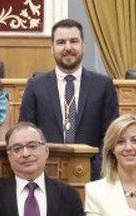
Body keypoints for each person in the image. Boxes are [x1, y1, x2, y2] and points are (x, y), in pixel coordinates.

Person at [19, 18, 119, 180]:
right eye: (61, 42)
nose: (68, 47)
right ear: (51, 48)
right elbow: (25, 133)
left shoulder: (103, 85)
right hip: (46, 174)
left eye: (74, 41)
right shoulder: (35, 86)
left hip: (92, 176)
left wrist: (93, 170)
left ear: (83, 46)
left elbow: (111, 135)